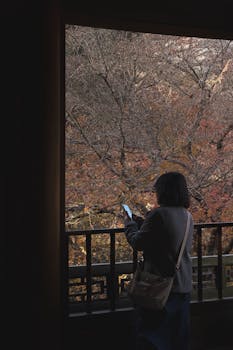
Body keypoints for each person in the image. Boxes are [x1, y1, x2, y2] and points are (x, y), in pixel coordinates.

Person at [124, 171, 194, 350]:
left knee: (153, 337)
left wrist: (130, 225)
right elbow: (168, 239)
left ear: (164, 191)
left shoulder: (159, 215)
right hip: (183, 284)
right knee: (177, 338)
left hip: (160, 286)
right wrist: (144, 223)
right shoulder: (187, 216)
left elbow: (138, 242)